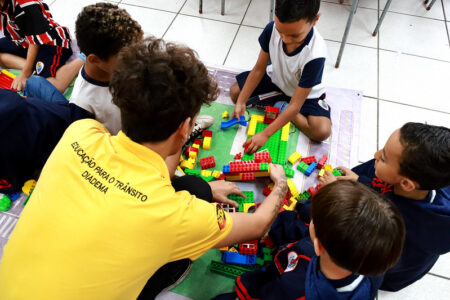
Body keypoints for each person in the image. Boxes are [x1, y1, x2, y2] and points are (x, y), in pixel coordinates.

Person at [0, 37, 289, 300]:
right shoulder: (176, 216)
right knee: (190, 197)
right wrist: (280, 185)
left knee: (193, 188)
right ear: (185, 128)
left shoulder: (81, 132)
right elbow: (259, 224)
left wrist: (203, 185)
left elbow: (146, 177)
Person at [0, 2, 143, 194]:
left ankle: (41, 73)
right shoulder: (84, 108)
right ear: (95, 60)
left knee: (35, 82)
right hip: (77, 129)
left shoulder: (115, 71)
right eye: (126, 55)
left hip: (57, 107)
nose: (136, 60)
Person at [215, 181, 405, 300]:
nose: (310, 220)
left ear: (319, 245)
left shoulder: (295, 287)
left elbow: (266, 293)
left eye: (313, 219)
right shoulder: (370, 265)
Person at [319, 122, 450, 291]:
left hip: (388, 272)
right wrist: (360, 181)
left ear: (406, 183)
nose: (376, 154)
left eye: (384, 158)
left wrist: (334, 191)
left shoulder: (393, 221)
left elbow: (357, 227)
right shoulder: (426, 181)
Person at [231, 0, 330, 154]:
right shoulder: (271, 29)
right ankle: (281, 105)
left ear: (315, 20)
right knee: (236, 93)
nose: (285, 39)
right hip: (276, 79)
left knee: (321, 131)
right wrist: (242, 101)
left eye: (295, 35)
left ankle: (282, 107)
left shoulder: (315, 55)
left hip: (304, 95)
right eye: (280, 31)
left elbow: (296, 105)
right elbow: (258, 70)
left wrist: (265, 134)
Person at [0, 0, 82, 92]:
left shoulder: (26, 5)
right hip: (24, 41)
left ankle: (82, 58)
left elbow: (36, 41)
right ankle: (34, 67)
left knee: (50, 88)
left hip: (51, 42)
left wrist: (25, 74)